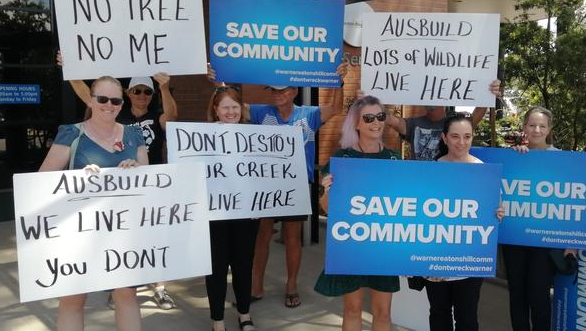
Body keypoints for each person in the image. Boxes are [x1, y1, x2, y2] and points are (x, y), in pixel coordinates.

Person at [208, 62, 347, 308]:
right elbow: (233, 107)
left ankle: (291, 285)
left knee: (292, 237)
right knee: (262, 236)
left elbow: (336, 107)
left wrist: (340, 80)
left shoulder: (309, 114)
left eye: (283, 90)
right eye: (273, 90)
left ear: (294, 91)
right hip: (265, 184)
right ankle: (256, 285)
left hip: (296, 184)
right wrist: (219, 84)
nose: (278, 94)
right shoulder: (262, 112)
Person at [57, 52, 178, 310]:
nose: (142, 95)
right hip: (114, 191)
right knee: (118, 238)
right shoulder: (117, 115)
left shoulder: (156, 117)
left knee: (151, 240)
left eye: (147, 91)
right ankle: (118, 285)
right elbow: (89, 97)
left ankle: (160, 288)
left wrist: (164, 88)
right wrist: (71, 69)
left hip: (149, 187)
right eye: (137, 90)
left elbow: (173, 117)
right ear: (128, 94)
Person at [39, 76, 148, 331]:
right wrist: (76, 178)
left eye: (115, 100)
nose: (109, 105)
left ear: (122, 103)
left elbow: (148, 182)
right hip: (80, 233)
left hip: (124, 234)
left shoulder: (134, 134)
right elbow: (41, 182)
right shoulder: (72, 133)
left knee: (126, 296)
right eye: (102, 99)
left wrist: (136, 169)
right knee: (73, 299)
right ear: (90, 99)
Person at [315, 95, 400, 331]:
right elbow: (327, 209)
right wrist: (327, 190)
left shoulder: (395, 159)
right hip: (351, 243)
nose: (376, 122)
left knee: (383, 312)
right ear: (357, 123)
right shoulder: (342, 159)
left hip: (384, 245)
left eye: (380, 116)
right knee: (352, 309)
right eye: (369, 118)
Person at [424, 113, 503, 331]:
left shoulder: (484, 171)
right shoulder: (431, 170)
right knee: (439, 314)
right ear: (444, 138)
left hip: (469, 260)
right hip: (435, 256)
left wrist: (497, 214)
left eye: (467, 136)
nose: (462, 142)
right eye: (455, 136)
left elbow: (495, 208)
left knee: (467, 317)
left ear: (472, 137)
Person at [503, 106, 575, 331]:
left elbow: (576, 201)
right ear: (524, 127)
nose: (536, 130)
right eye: (532, 125)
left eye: (542, 126)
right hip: (514, 239)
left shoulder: (562, 160)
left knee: (539, 296)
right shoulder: (513, 155)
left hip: (545, 241)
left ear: (549, 129)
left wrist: (571, 243)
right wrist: (515, 153)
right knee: (517, 296)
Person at [205, 85, 259, 331]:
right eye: (225, 107)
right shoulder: (200, 137)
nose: (230, 111)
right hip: (213, 213)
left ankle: (244, 314)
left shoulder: (255, 136)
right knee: (216, 266)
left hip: (246, 213)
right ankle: (217, 319)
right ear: (215, 110)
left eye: (235, 107)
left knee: (243, 264)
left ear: (242, 109)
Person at [385, 80, 501, 161]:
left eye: (434, 93)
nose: (430, 98)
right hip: (420, 185)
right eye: (427, 93)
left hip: (448, 183)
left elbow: (480, 109)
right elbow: (389, 119)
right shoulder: (413, 124)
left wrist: (489, 91)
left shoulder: (456, 124)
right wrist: (369, 100)